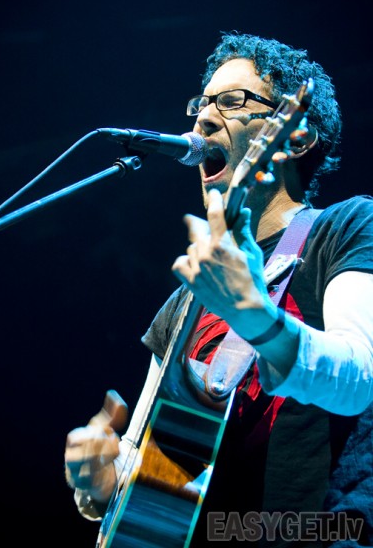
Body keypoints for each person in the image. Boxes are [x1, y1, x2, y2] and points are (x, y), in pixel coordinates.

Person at [64, 32, 373, 546]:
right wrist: (101, 484)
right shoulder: (188, 300)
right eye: (202, 103)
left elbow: (360, 378)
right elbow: (160, 483)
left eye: (231, 101)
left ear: (295, 137)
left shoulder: (345, 229)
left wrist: (259, 320)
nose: (203, 119)